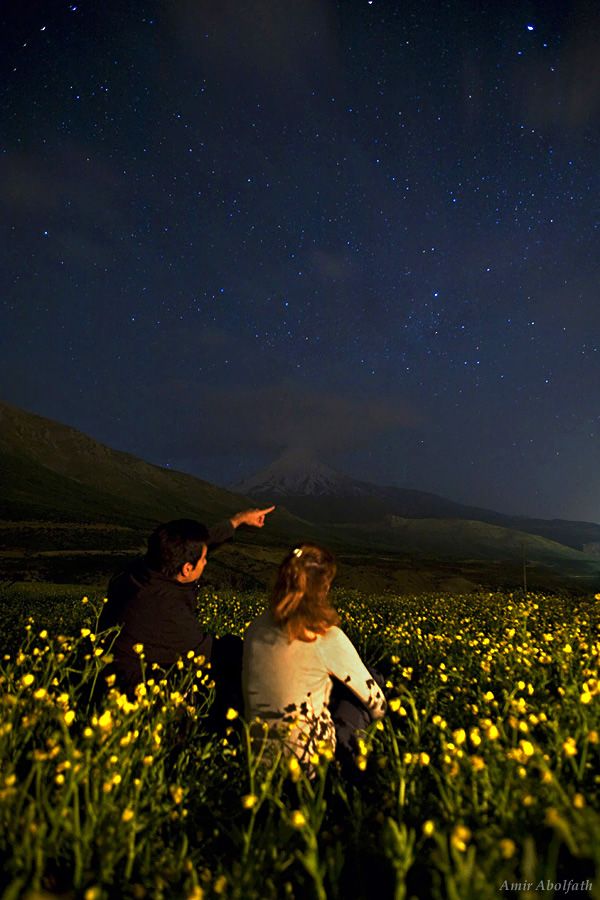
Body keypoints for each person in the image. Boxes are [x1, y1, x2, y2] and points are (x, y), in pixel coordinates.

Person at [99, 506, 275, 702]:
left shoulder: (140, 569)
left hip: (117, 666)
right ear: (187, 569)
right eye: (203, 560)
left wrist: (237, 521)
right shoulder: (166, 610)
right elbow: (210, 654)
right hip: (136, 696)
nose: (206, 563)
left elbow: (197, 545)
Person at [242, 543, 387, 770]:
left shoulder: (255, 627)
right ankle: (349, 764)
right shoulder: (323, 636)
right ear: (324, 588)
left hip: (257, 760)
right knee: (369, 682)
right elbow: (376, 705)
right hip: (309, 764)